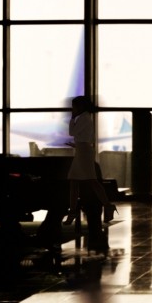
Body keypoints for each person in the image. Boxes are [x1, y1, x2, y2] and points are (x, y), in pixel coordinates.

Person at [65, 95, 115, 229]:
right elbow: (82, 138)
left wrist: (71, 118)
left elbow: (72, 132)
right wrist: (77, 145)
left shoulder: (83, 118)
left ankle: (74, 211)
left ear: (80, 107)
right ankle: (74, 210)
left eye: (74, 107)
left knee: (88, 181)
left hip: (83, 152)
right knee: (78, 181)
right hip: (82, 151)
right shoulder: (85, 118)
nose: (72, 109)